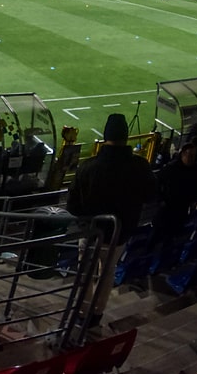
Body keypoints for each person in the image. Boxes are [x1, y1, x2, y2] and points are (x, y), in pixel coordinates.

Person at [66, 112, 157, 329]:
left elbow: (72, 206)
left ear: (106, 136)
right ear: (125, 136)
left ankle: (82, 314)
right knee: (107, 272)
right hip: (120, 232)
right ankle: (96, 314)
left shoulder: (88, 167)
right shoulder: (140, 166)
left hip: (91, 231)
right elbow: (151, 196)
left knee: (85, 274)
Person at [153, 142, 197, 245]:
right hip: (166, 209)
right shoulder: (170, 168)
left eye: (193, 156)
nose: (192, 158)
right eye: (189, 155)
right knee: (156, 236)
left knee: (173, 237)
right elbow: (157, 183)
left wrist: (196, 200)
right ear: (183, 154)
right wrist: (160, 200)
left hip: (182, 210)